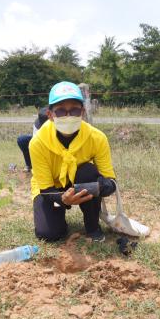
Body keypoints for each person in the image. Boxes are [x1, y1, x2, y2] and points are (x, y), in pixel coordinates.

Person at [30, 81, 117, 242]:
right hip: (50, 188)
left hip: (78, 182)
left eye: (74, 111)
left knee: (88, 173)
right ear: (50, 115)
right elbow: (45, 188)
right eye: (61, 111)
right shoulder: (38, 143)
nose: (68, 116)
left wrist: (101, 186)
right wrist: (62, 198)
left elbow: (110, 181)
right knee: (49, 234)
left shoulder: (97, 138)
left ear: (82, 112)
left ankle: (92, 226)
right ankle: (57, 216)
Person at [17, 107, 48, 172]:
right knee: (22, 140)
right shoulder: (38, 125)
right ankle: (30, 165)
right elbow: (35, 143)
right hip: (40, 142)